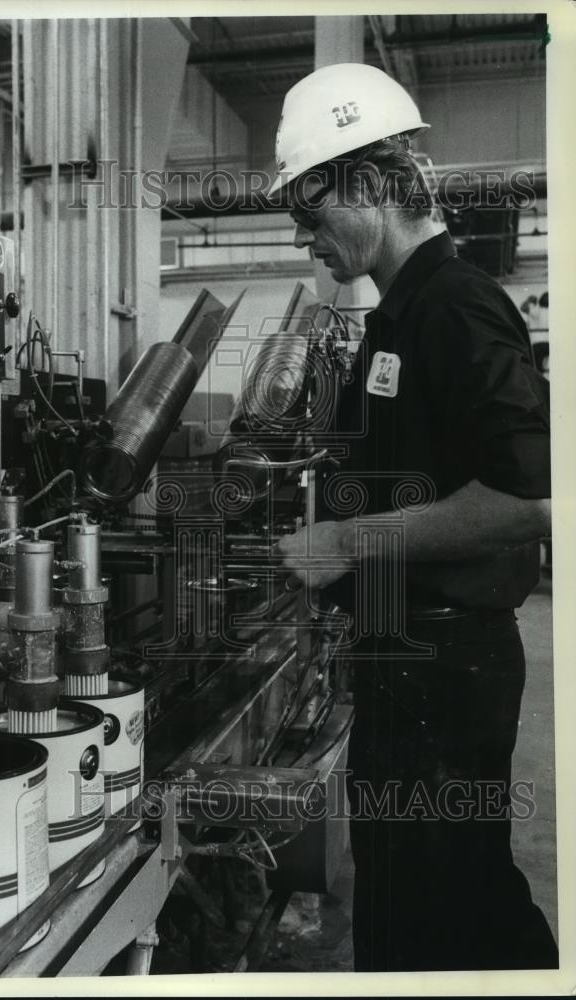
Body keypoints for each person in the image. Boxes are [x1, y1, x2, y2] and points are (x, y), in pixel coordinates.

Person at [270, 63, 557, 972]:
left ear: (366, 185)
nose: (306, 242)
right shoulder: (400, 314)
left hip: (446, 670)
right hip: (410, 664)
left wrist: (349, 541)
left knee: (432, 907)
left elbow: (528, 499)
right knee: (431, 892)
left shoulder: (456, 307)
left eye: (311, 216)